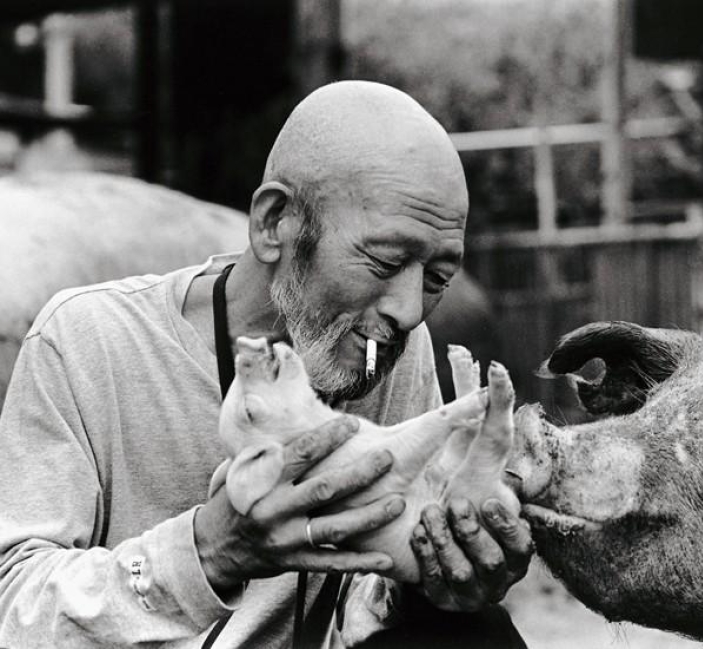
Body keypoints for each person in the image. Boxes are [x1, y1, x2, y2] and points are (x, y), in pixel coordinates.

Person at [0, 81, 533, 648]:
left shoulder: (393, 354)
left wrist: (433, 580)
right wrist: (208, 551)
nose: (407, 310)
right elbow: (13, 608)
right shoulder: (89, 340)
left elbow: (366, 591)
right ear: (275, 223)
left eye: (436, 279)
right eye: (383, 261)